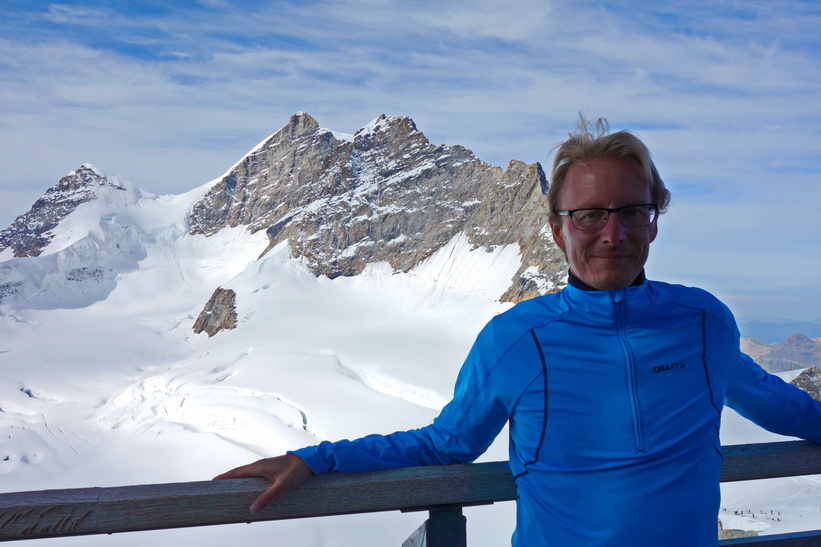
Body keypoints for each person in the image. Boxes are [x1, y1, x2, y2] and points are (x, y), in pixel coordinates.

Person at [215, 117, 821, 546]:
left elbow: (778, 404)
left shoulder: (703, 322)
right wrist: (315, 461)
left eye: (631, 211)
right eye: (589, 215)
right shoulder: (516, 340)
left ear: (654, 221)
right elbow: (446, 443)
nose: (612, 233)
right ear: (558, 230)